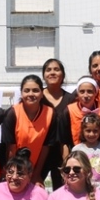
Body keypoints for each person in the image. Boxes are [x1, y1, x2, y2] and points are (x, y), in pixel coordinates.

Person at [0, 74, 57, 185]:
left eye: (35, 90)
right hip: (14, 168)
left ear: (42, 94)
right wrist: (14, 175)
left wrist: (36, 174)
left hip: (36, 169)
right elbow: (10, 150)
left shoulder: (50, 114)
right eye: (27, 91)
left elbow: (46, 147)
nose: (31, 94)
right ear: (21, 93)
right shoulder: (12, 114)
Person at [56, 77, 100, 161]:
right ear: (77, 93)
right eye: (82, 92)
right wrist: (67, 163)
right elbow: (63, 142)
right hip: (78, 158)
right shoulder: (69, 111)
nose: (85, 95)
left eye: (89, 91)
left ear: (95, 93)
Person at [40, 58, 71, 189]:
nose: (52, 73)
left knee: (63, 188)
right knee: (34, 187)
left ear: (62, 75)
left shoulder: (71, 99)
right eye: (48, 70)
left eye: (56, 69)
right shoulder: (36, 96)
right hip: (40, 151)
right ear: (43, 76)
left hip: (62, 152)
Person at [71, 112, 100, 189]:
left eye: (95, 131)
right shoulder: (77, 149)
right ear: (83, 131)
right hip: (82, 191)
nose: (91, 134)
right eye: (88, 130)